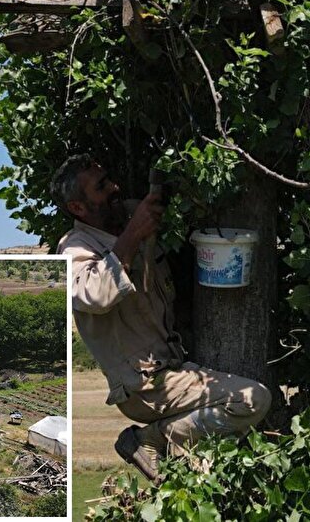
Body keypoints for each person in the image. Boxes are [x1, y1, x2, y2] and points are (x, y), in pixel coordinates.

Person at [52, 154, 271, 481]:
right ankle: (150, 439)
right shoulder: (75, 248)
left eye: (109, 179)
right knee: (253, 400)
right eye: (101, 186)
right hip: (145, 385)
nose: (114, 188)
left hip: (173, 366)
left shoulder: (127, 213)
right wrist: (134, 233)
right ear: (77, 207)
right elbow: (94, 295)